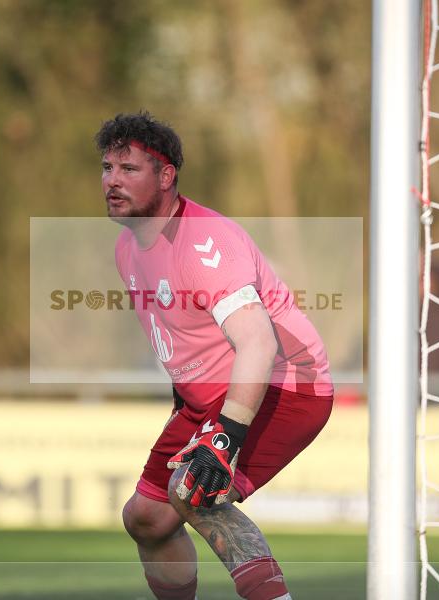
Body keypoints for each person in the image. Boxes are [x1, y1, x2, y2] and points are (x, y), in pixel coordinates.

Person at [96, 112, 334, 600]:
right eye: (106, 168)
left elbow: (259, 342)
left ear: (166, 177)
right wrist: (187, 410)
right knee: (146, 518)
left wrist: (223, 440)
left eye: (128, 169)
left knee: (193, 490)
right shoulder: (128, 247)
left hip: (287, 385)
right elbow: (183, 341)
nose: (112, 181)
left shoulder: (206, 243)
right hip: (211, 397)